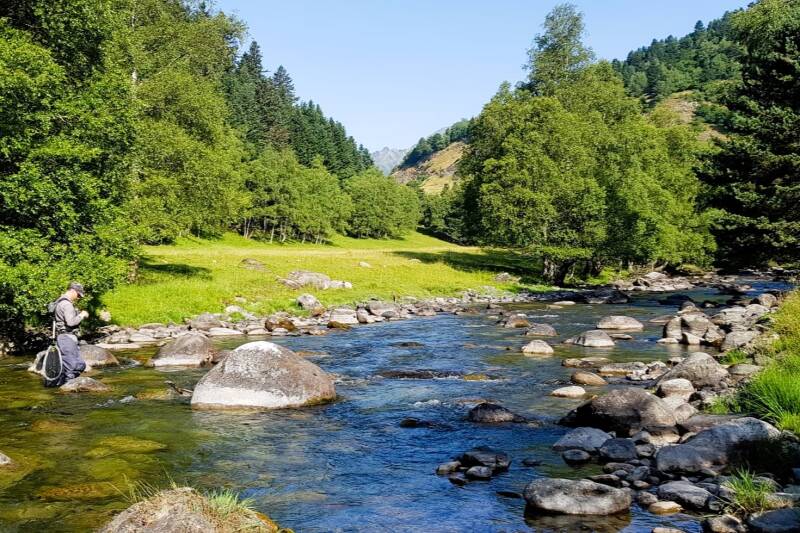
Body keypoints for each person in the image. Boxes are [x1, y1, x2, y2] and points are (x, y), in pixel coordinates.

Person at [48, 282, 89, 387]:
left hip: (64, 338)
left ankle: (64, 386)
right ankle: (68, 391)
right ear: (72, 291)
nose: (79, 297)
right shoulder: (66, 304)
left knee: (80, 365)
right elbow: (71, 322)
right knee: (71, 367)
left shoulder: (59, 301)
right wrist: (82, 315)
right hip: (66, 338)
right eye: (78, 295)